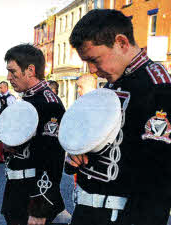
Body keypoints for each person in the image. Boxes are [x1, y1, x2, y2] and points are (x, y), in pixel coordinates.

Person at [67, 9, 171, 225]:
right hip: (86, 211)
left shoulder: (158, 87)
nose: (92, 70)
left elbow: (159, 175)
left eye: (95, 60)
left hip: (120, 217)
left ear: (121, 42)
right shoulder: (113, 82)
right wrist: (75, 154)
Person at [2, 44, 66, 225]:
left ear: (30, 70)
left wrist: (40, 207)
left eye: (12, 71)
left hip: (32, 196)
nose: (8, 77)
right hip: (17, 192)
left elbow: (52, 159)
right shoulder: (29, 98)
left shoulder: (48, 103)